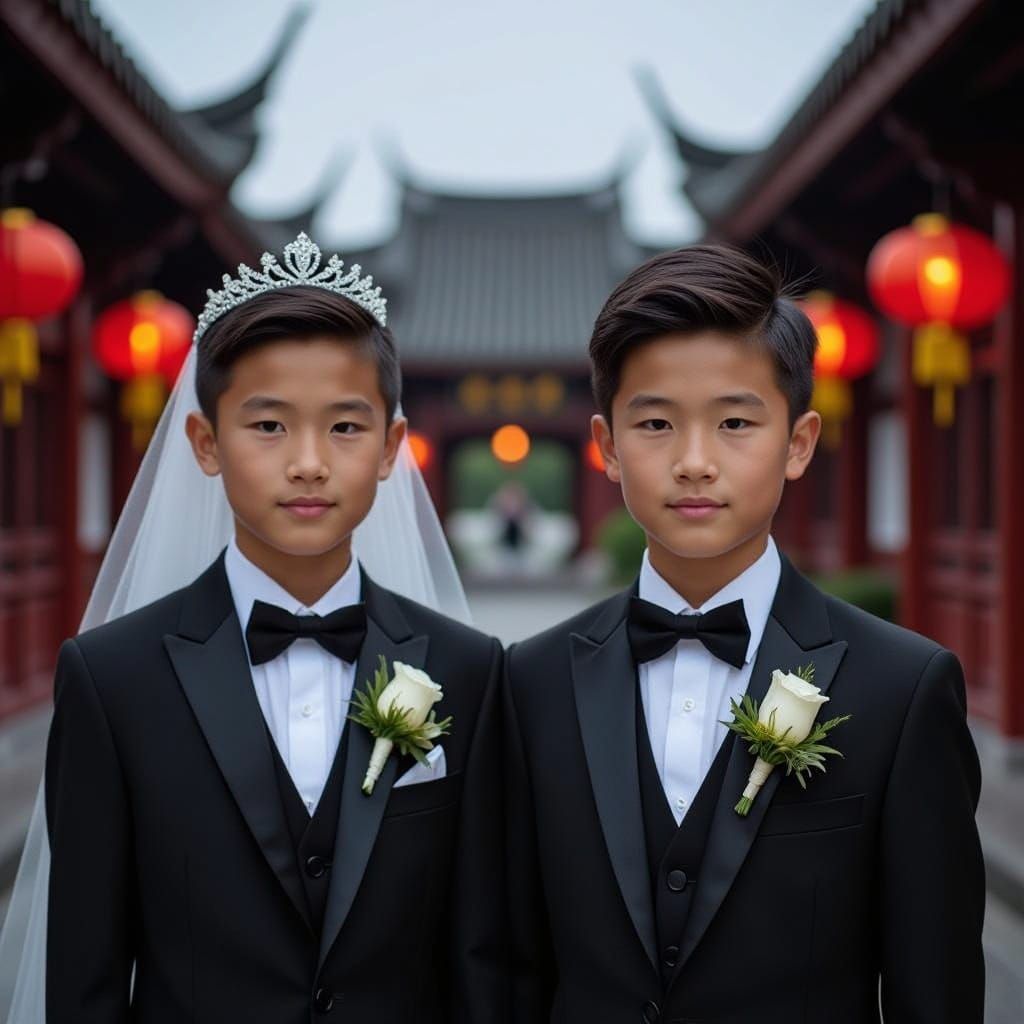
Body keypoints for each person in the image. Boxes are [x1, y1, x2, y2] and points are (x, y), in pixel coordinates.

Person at [14, 235, 504, 1023]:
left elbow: (482, 953)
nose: (307, 463)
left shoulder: (470, 670)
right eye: (268, 427)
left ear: (390, 448)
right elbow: (85, 969)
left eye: (345, 429)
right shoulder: (112, 678)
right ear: (206, 444)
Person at [503, 245, 985, 1023]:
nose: (695, 463)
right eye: (656, 423)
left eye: (734, 422)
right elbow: (513, 960)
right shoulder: (531, 680)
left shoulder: (902, 685)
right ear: (607, 446)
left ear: (798, 443)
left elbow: (936, 985)